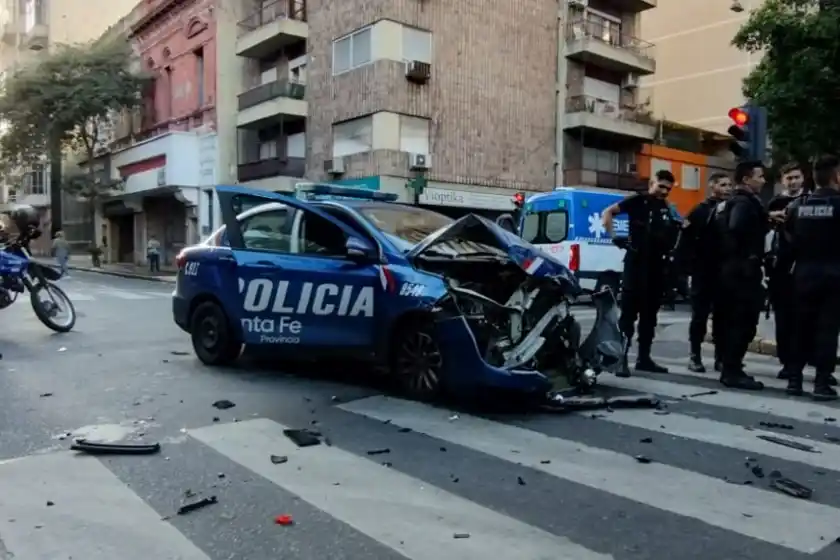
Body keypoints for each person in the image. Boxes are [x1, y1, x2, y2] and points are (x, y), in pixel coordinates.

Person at [602, 169, 680, 377]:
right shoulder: (637, 201)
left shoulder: (667, 208)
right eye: (661, 186)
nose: (664, 191)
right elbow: (607, 213)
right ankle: (621, 359)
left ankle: (644, 359)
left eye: (668, 188)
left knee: (649, 316)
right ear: (652, 183)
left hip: (657, 267)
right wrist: (614, 236)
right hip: (636, 264)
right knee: (628, 315)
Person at [782, 155, 840, 400]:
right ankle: (821, 383)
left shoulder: (798, 206)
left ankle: (794, 380)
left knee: (800, 328)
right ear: (836, 176)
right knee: (827, 330)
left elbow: (787, 240)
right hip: (834, 275)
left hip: (803, 274)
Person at [713, 161, 768, 390]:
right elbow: (737, 227)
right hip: (742, 272)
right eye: (760, 176)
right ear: (746, 179)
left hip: (731, 270)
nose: (763, 181)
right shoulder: (744, 203)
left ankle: (731, 367)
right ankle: (732, 371)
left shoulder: (731, 202)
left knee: (733, 320)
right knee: (742, 322)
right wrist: (749, 254)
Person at [680, 172, 733, 372]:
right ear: (712, 186)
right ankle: (695, 355)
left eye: (729, 185)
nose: (727, 188)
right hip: (702, 270)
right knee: (699, 316)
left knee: (723, 317)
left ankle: (720, 357)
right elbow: (685, 240)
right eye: (723, 185)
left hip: (724, 270)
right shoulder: (700, 210)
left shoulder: (731, 209)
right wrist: (686, 270)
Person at [766, 162, 805, 381]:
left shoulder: (810, 200)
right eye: (789, 178)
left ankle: (807, 360)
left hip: (804, 265)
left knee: (806, 318)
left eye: (796, 177)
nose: (793, 182)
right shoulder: (774, 203)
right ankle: (787, 362)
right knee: (783, 318)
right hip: (780, 267)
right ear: (782, 181)